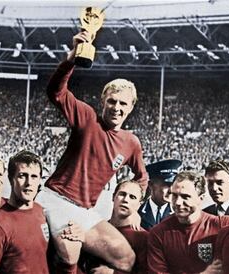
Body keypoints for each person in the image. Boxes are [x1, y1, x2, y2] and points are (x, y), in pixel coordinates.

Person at [35, 30, 148, 272]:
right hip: (56, 200)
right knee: (69, 254)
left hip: (85, 211)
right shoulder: (87, 118)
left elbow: (142, 177)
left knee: (125, 260)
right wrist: (72, 57)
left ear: (131, 107)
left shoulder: (131, 142)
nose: (116, 108)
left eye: (123, 103)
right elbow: (56, 92)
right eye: (112, 101)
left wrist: (135, 209)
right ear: (103, 101)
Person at [147, 171, 229, 274]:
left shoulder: (222, 225)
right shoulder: (159, 233)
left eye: (185, 197)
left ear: (201, 198)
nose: (177, 202)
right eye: (174, 195)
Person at [0, 150, 50, 274]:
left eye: (34, 177)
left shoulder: (41, 212)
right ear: (11, 179)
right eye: (22, 176)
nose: (29, 183)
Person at [73, 180, 148, 274]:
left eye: (132, 197)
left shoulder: (143, 238)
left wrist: (113, 273)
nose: (126, 200)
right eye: (122, 194)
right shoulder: (97, 229)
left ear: (139, 204)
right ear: (113, 197)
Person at [138, 159, 182, 230]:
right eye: (167, 185)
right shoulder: (137, 211)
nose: (171, 190)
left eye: (173, 185)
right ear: (151, 185)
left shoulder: (179, 213)